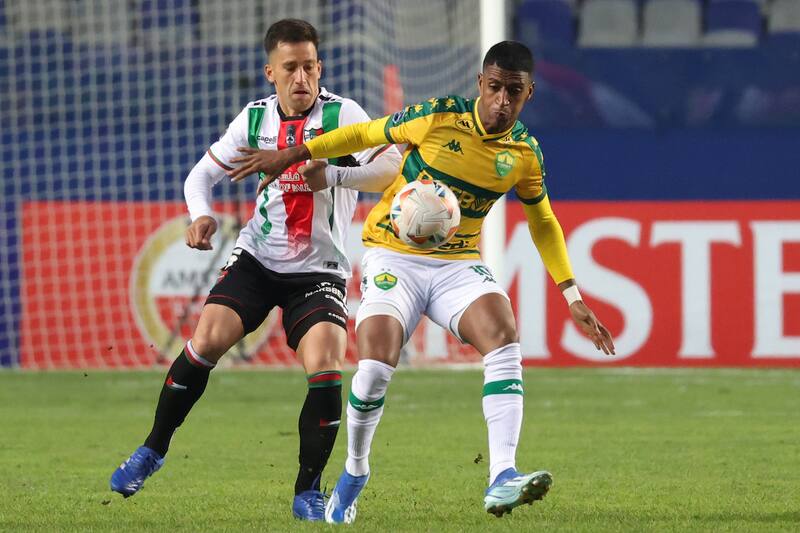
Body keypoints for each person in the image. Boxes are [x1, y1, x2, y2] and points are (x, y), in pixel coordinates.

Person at [228, 40, 615, 523]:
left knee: (504, 335)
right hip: (394, 255)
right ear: (480, 83)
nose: (500, 101)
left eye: (512, 93)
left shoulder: (523, 154)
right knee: (373, 365)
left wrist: (571, 294)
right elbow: (366, 132)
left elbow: (543, 222)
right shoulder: (437, 117)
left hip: (457, 263)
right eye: (493, 88)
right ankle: (354, 472)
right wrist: (296, 152)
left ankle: (501, 476)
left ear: (528, 94)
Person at [109, 19, 401, 522]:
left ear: (320, 67)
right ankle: (152, 450)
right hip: (258, 259)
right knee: (205, 341)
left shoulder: (344, 114)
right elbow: (201, 175)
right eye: (290, 68)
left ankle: (308, 491)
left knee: (327, 365)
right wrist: (200, 214)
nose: (301, 77)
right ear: (271, 72)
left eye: (309, 66)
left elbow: (391, 165)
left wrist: (333, 172)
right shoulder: (253, 120)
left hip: (320, 269)